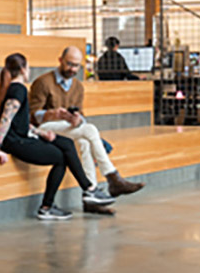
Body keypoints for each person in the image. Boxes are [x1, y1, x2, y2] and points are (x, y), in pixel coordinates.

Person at [0, 53, 108, 219]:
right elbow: (6, 118)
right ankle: (50, 205)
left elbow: (20, 123)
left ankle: (89, 190)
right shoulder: (18, 89)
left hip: (23, 137)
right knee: (61, 158)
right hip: (17, 143)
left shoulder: (11, 88)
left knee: (66, 143)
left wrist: (42, 133)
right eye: (28, 67)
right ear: (24, 69)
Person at [30, 46, 144, 199]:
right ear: (60, 60)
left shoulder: (78, 86)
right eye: (69, 64)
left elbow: (81, 114)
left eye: (76, 66)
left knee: (84, 143)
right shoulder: (43, 82)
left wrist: (78, 119)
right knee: (90, 130)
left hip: (66, 128)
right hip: (44, 128)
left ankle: (92, 196)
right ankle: (113, 177)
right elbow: (32, 115)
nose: (72, 69)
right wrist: (52, 113)